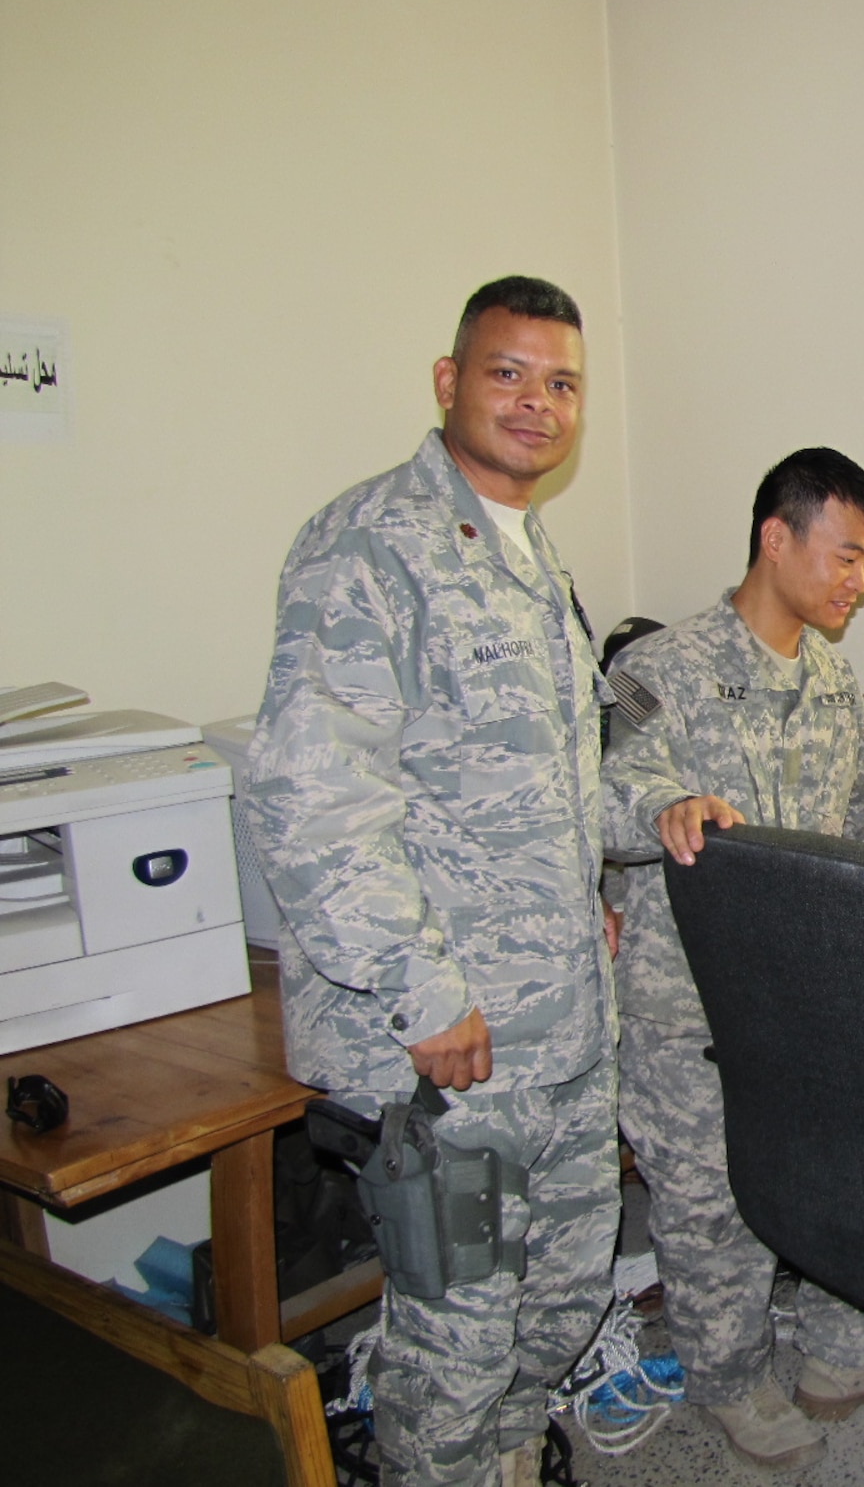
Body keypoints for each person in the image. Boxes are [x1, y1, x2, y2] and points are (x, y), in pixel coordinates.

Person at [246, 277, 619, 1487]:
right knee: (454, 1349)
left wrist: (610, 856)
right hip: (447, 1046)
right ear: (448, 381)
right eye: (507, 373)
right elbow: (313, 797)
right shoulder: (371, 545)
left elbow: (529, 776)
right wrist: (419, 992)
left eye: (559, 383)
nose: (535, 403)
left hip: (555, 1027)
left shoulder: (525, 552)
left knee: (557, 1309)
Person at [600, 447, 864, 1471]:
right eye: (845, 556)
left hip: (812, 1000)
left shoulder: (832, 681)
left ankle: (840, 1357)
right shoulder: (664, 670)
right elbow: (610, 798)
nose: (857, 581)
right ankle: (728, 1382)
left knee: (842, 1178)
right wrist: (662, 808)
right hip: (691, 1009)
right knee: (712, 1206)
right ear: (776, 537)